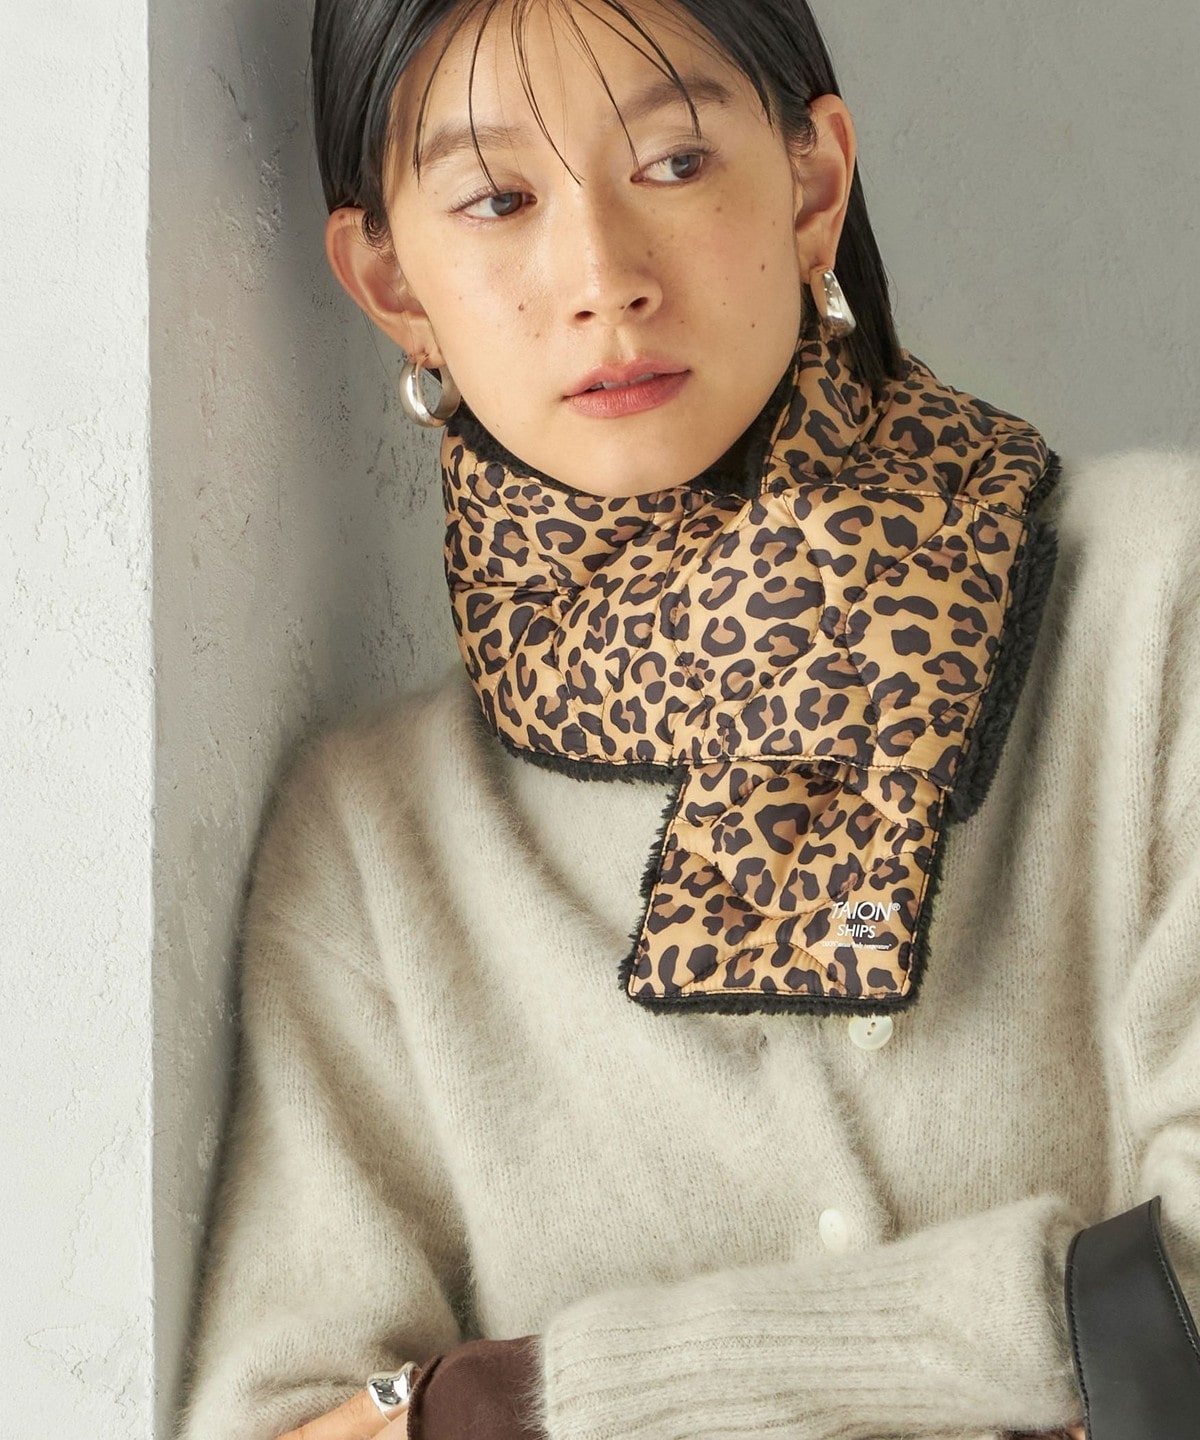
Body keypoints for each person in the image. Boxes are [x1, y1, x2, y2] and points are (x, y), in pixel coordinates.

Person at [173, 1, 1200, 1438]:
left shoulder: (1159, 609)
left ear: (813, 187)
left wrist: (507, 1406)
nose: (604, 280)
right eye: (497, 201)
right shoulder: (377, 847)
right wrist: (1060, 1323)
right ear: (393, 283)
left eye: (672, 163)